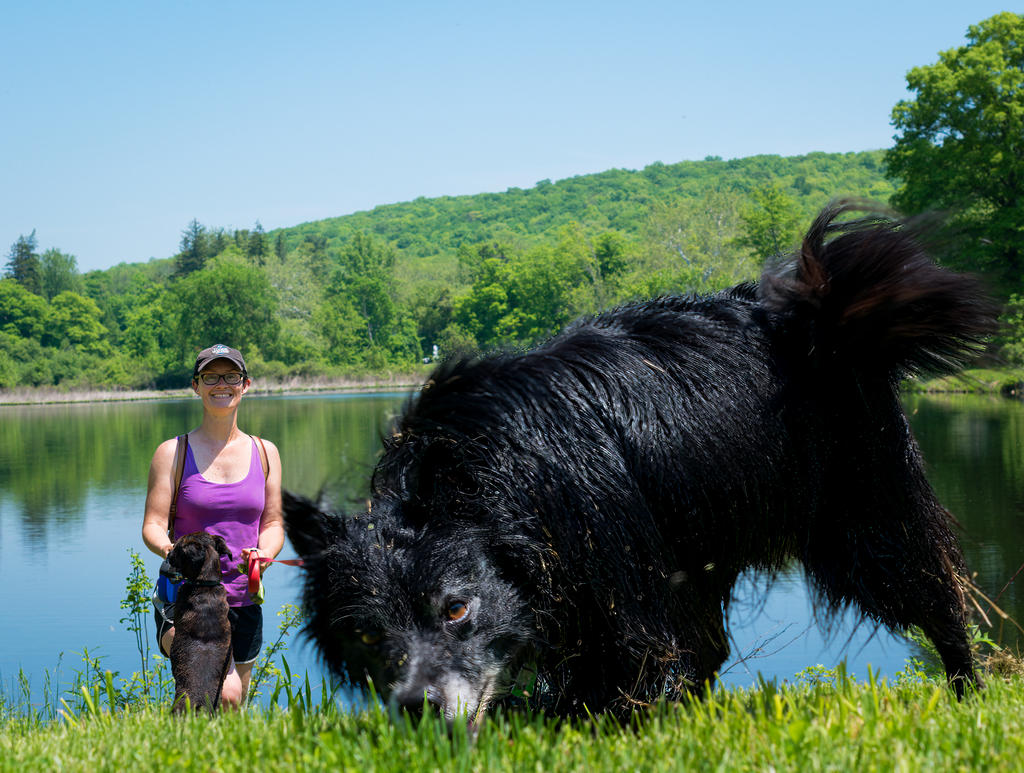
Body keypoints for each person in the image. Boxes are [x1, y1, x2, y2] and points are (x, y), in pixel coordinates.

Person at [142, 344, 284, 707]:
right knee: (218, 694)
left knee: (233, 707)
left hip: (242, 598)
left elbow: (273, 523)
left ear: (246, 384)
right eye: (210, 377)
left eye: (231, 376)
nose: (221, 384)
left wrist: (265, 553)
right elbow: (153, 526)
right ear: (196, 385)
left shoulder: (265, 452)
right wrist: (177, 551)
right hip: (187, 599)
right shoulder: (172, 452)